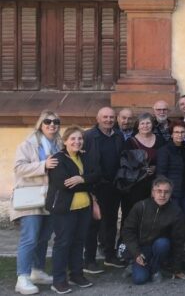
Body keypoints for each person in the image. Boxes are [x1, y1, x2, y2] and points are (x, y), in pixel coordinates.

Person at [12, 111, 60, 295]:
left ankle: (37, 271)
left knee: (43, 237)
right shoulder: (28, 144)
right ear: (40, 124)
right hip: (31, 198)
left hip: (50, 199)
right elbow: (18, 168)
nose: (52, 125)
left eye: (56, 122)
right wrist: (43, 166)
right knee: (29, 238)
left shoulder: (59, 144)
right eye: (47, 121)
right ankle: (22, 277)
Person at [46, 126, 94, 293]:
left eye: (80, 138)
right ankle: (58, 280)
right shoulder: (57, 159)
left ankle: (76, 275)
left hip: (84, 208)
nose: (77, 141)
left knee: (79, 242)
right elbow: (63, 184)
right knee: (63, 243)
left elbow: (97, 176)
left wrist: (81, 179)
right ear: (65, 141)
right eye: (73, 138)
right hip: (64, 209)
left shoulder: (85, 157)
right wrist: (86, 181)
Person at [121, 177, 185, 285]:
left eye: (166, 192)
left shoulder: (176, 212)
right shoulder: (140, 206)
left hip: (160, 249)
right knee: (139, 279)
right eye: (159, 191)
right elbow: (128, 231)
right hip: (140, 249)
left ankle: (155, 269)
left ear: (170, 194)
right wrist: (136, 253)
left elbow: (178, 240)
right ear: (153, 192)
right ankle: (135, 263)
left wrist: (176, 268)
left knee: (163, 243)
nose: (162, 195)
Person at [82, 107, 126, 273]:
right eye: (105, 117)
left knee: (111, 223)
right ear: (98, 118)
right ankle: (89, 260)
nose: (108, 120)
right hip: (95, 187)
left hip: (113, 186)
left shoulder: (118, 135)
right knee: (93, 224)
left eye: (111, 117)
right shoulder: (88, 136)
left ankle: (110, 256)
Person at [121, 113, 165, 225]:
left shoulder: (160, 141)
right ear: (138, 126)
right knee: (132, 215)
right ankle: (125, 241)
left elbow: (165, 160)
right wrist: (141, 170)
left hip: (154, 184)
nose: (145, 126)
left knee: (152, 215)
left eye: (148, 123)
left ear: (152, 125)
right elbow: (126, 163)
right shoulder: (130, 142)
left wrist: (156, 168)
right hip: (135, 186)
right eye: (142, 123)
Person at [156, 121, 185, 216]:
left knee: (182, 219)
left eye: (182, 132)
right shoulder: (164, 151)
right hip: (171, 193)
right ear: (171, 134)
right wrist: (164, 192)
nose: (179, 135)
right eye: (176, 132)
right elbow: (161, 174)